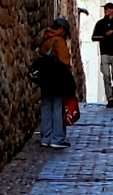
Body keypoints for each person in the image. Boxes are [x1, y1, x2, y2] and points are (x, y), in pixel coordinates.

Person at [38, 17, 72, 149]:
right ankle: (57, 138)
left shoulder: (45, 38)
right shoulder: (59, 40)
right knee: (57, 106)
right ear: (62, 29)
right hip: (57, 78)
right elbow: (65, 60)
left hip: (45, 76)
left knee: (46, 106)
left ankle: (45, 138)